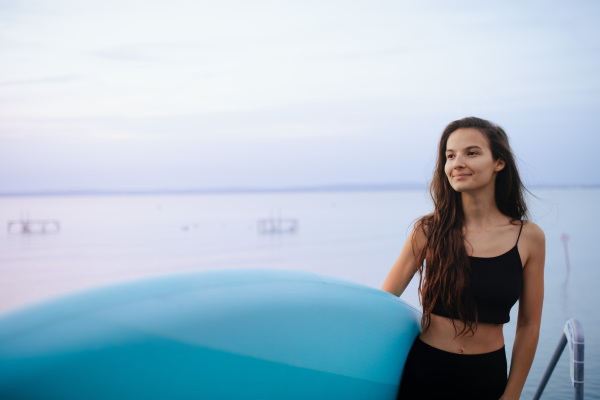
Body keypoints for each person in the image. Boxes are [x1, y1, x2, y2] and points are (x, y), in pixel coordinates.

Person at [382, 117, 545, 400]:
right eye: (450, 155)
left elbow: (529, 325)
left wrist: (513, 393)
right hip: (425, 371)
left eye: (472, 152)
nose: (457, 162)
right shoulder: (428, 231)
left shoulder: (529, 237)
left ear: (499, 162)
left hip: (487, 375)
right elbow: (383, 301)